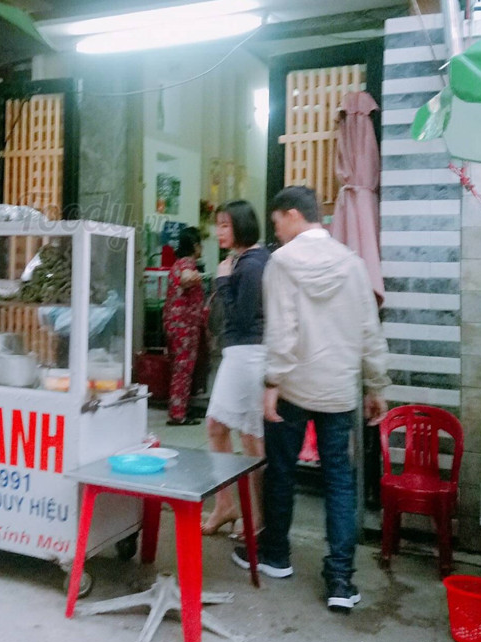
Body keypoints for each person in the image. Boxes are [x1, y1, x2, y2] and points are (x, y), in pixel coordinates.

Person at [233, 185, 389, 613]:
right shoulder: (353, 264)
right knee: (339, 480)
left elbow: (282, 331)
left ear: (292, 215)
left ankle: (276, 555)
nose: (276, 232)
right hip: (339, 391)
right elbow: (369, 330)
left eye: (277, 222)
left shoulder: (282, 263)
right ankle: (340, 579)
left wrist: (272, 383)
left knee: (281, 471)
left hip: (293, 389)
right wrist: (376, 385)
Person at [201, 201, 269, 536]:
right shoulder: (243, 260)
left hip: (249, 355)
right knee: (218, 427)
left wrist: (223, 282)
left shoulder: (253, 264)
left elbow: (241, 317)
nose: (219, 232)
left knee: (251, 438)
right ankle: (226, 505)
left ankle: (256, 515)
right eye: (218, 225)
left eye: (225, 225)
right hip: (239, 355)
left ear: (242, 226)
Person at [162, 226, 204, 426]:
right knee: (183, 369)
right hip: (184, 327)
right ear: (195, 246)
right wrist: (196, 277)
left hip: (176, 324)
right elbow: (186, 279)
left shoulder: (177, 263)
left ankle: (179, 408)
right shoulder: (187, 263)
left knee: (179, 368)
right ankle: (178, 414)